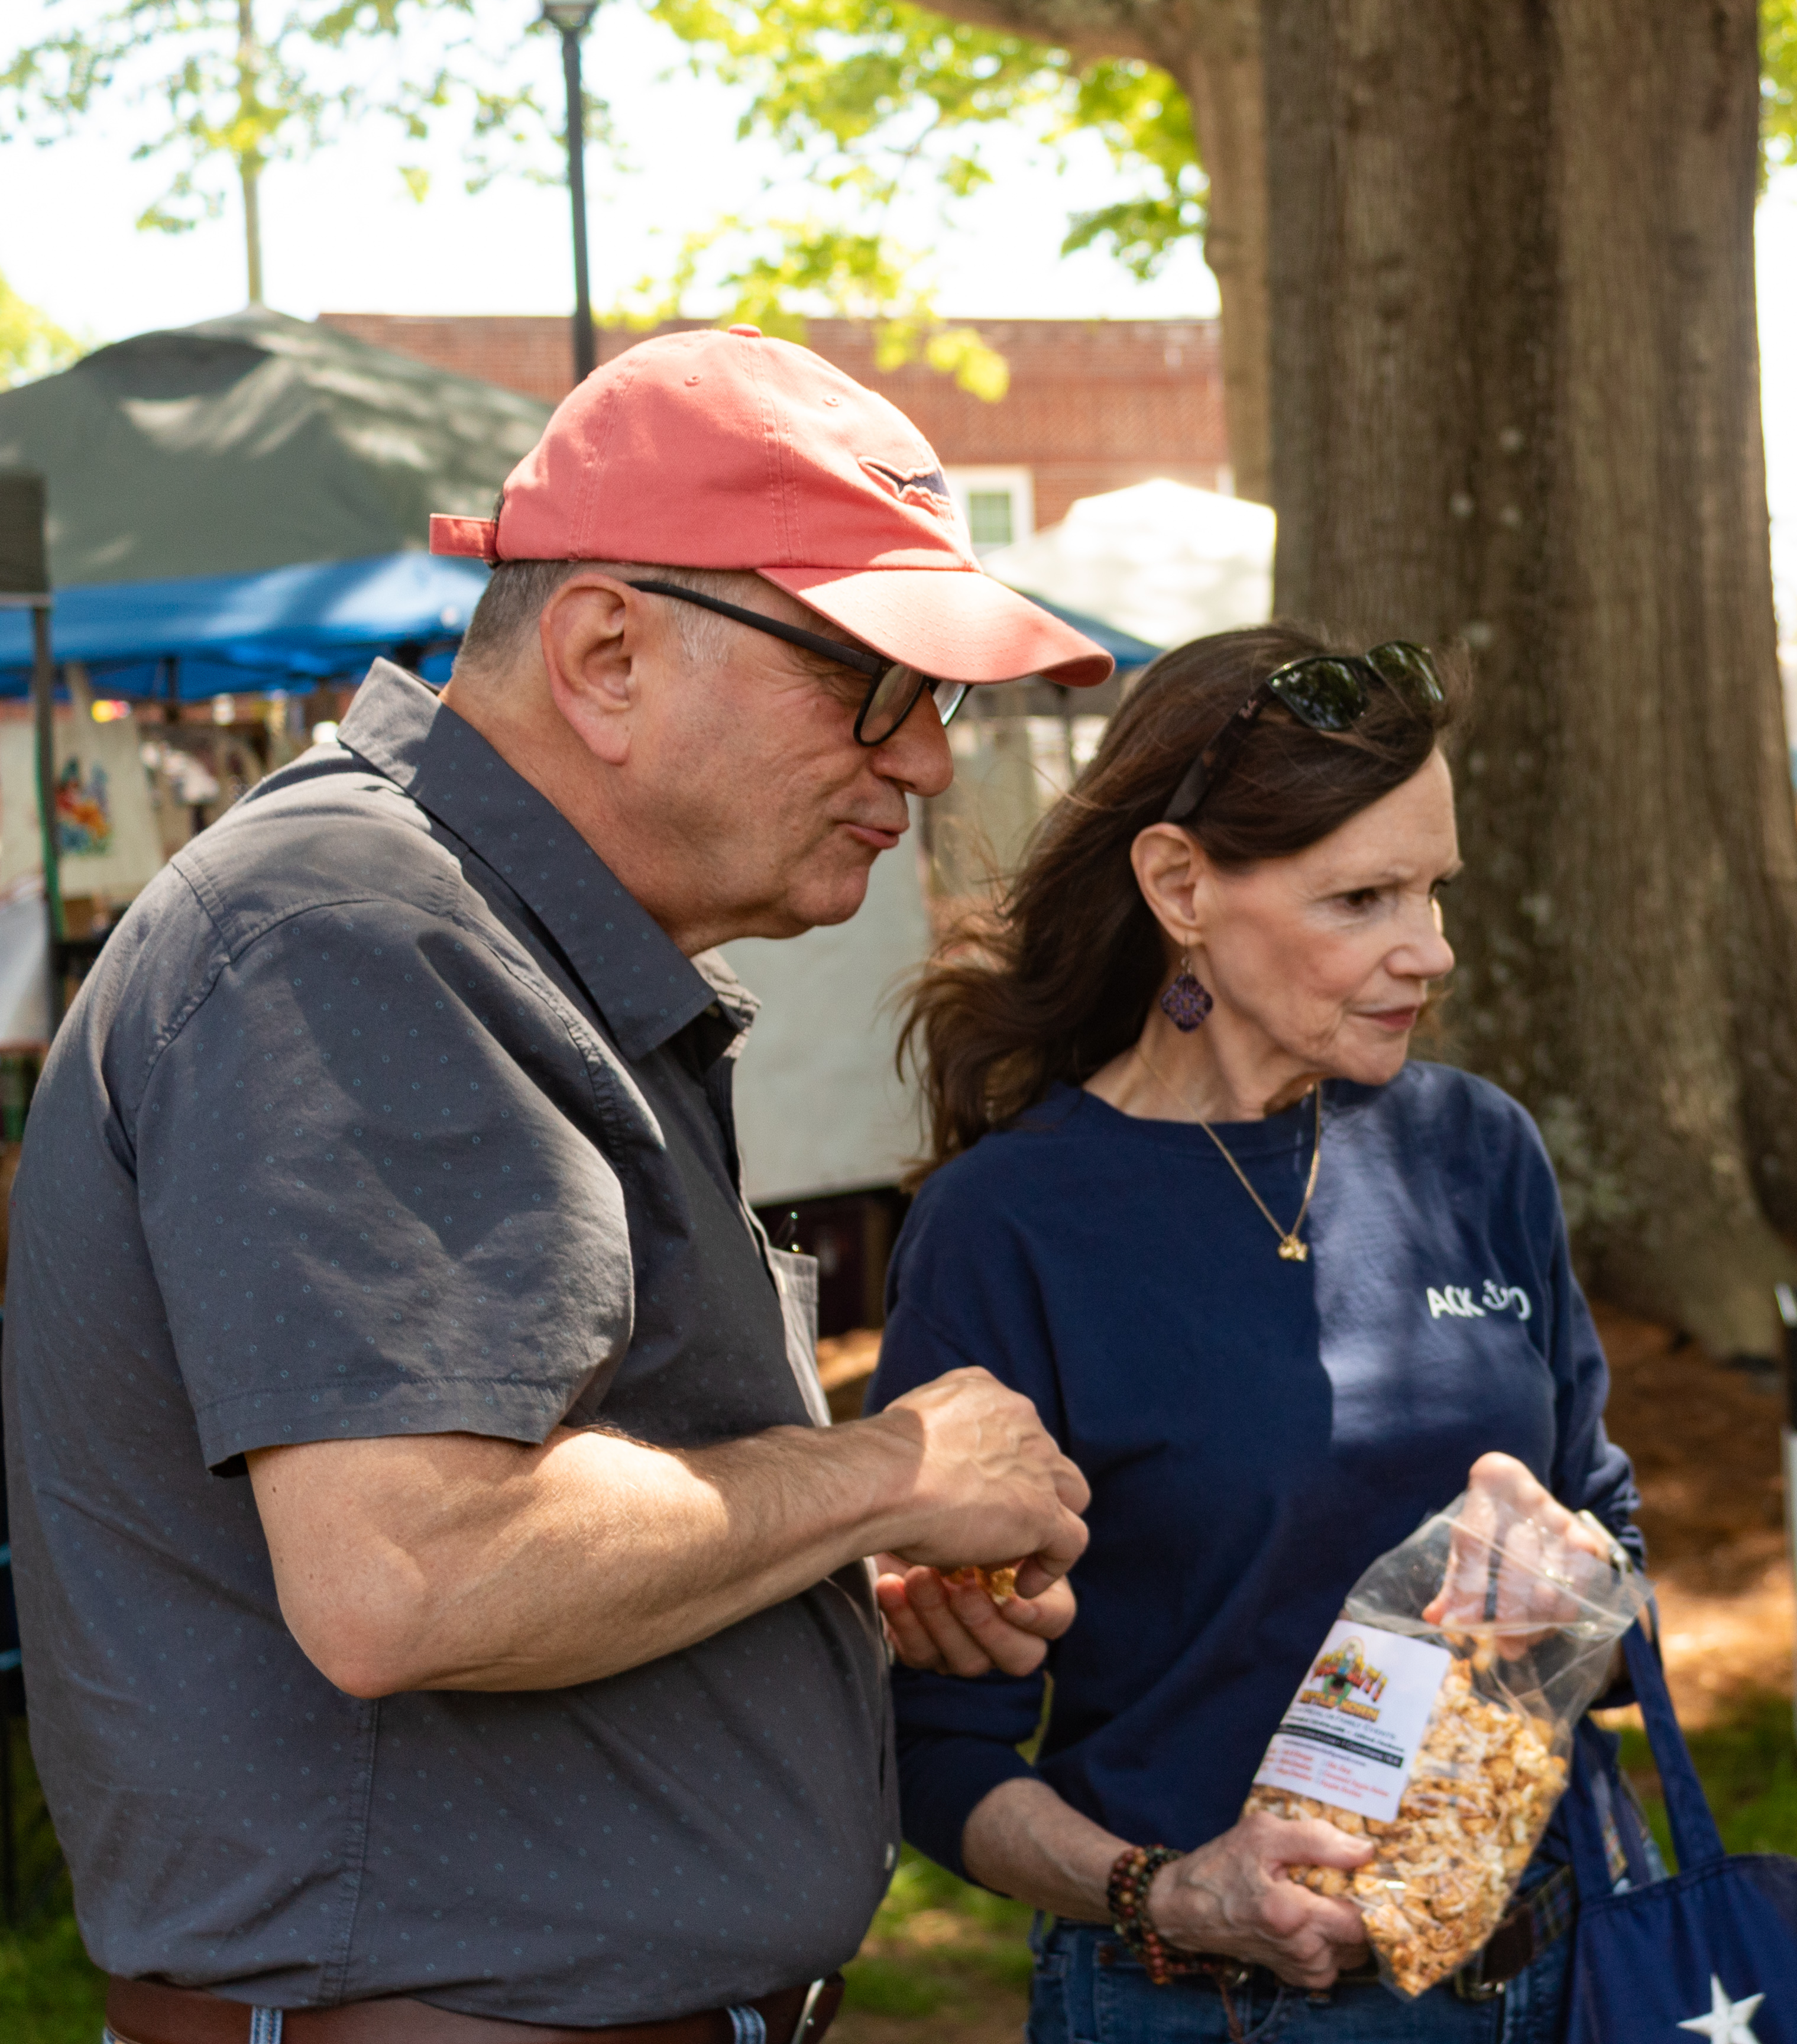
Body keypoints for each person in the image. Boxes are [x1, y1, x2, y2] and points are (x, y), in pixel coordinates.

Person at [4, 326, 1104, 2041]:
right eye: (875, 682)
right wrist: (886, 1473)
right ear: (604, 649)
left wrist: (790, 1585)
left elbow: (505, 1508)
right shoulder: (357, 936)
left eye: (940, 700)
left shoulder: (467, 932)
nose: (929, 761)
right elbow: (415, 1572)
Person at [868, 626, 1641, 2042]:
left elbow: (1604, 1527)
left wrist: (1569, 1584)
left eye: (1434, 887)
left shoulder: (1477, 1149)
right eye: (1363, 896)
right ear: (1178, 886)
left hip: (1553, 1965)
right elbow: (933, 1747)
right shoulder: (1010, 1227)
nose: (1433, 948)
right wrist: (1165, 1889)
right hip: (1207, 2004)